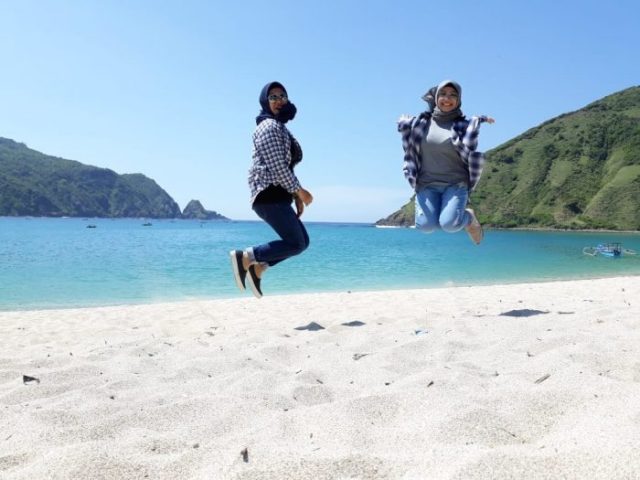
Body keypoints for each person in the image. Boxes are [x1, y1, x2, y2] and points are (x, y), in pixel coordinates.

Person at [230, 81, 313, 298]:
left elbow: (285, 167)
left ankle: (258, 268)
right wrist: (300, 191)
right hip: (268, 194)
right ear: (264, 102)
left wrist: (295, 196)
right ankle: (246, 257)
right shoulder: (268, 127)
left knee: (302, 242)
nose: (279, 101)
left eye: (282, 96)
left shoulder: (279, 127)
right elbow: (277, 167)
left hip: (277, 195)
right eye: (273, 97)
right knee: (296, 242)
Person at [398, 79, 495, 244]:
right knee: (425, 226)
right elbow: (407, 135)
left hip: (455, 184)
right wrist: (403, 123)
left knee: (449, 224)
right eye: (442, 94)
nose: (447, 98)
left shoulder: (463, 125)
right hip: (426, 184)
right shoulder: (421, 123)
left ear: (458, 100)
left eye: (452, 95)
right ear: (435, 98)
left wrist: (483, 118)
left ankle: (469, 218)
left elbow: (474, 121)